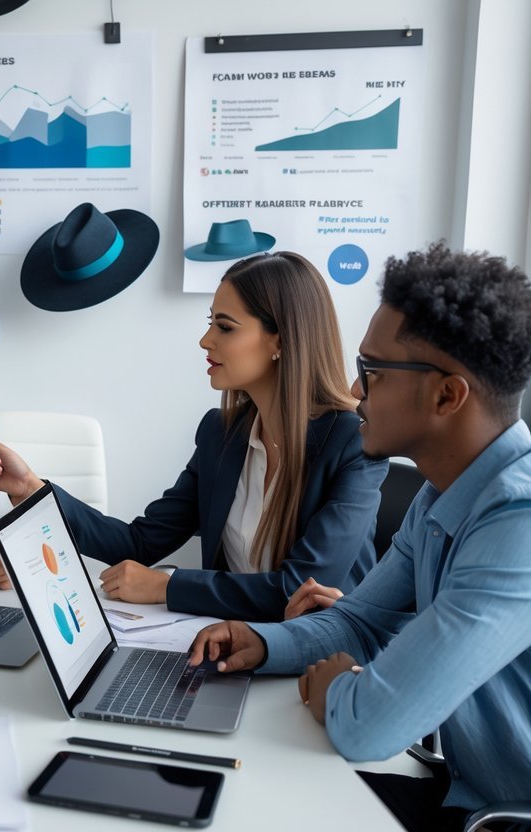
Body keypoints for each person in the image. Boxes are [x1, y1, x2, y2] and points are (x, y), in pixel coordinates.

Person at [189, 243, 531, 831]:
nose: (353, 385)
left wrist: (338, 688)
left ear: (446, 396)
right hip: (466, 796)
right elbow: (357, 620)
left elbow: (371, 726)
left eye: (371, 370)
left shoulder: (519, 526)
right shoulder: (438, 495)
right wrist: (265, 643)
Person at [0, 251, 388, 621]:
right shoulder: (221, 434)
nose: (206, 340)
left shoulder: (353, 442)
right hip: (234, 642)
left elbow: (302, 590)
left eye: (225, 327)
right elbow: (140, 542)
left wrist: (168, 586)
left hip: (320, 655)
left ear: (280, 339)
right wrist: (31, 487)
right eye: (210, 324)